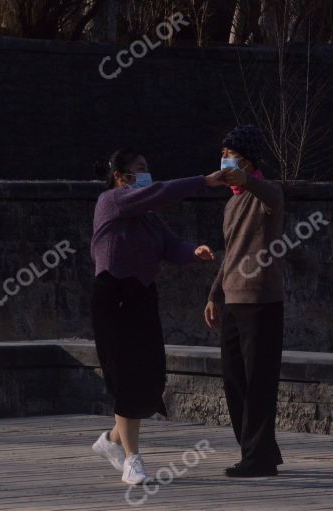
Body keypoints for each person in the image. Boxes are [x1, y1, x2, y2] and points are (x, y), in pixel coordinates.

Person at [90, 148, 228, 485]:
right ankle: (133, 460)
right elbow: (162, 191)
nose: (147, 173)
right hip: (114, 295)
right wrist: (204, 181)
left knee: (150, 378)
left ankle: (110, 441)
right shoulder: (111, 201)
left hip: (142, 297)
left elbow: (171, 246)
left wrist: (193, 252)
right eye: (140, 168)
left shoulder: (149, 219)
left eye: (148, 167)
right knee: (126, 377)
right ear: (121, 177)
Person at [204, 125, 286, 477]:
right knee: (235, 380)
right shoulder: (232, 202)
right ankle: (259, 450)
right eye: (223, 155)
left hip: (262, 300)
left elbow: (274, 195)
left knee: (259, 381)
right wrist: (214, 296)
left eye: (232, 156)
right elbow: (230, 255)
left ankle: (258, 458)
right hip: (233, 299)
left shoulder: (264, 195)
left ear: (249, 162)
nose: (225, 162)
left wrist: (246, 178)